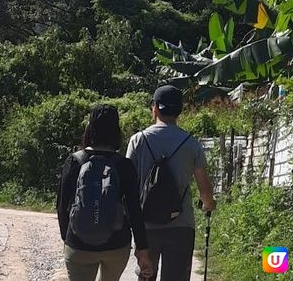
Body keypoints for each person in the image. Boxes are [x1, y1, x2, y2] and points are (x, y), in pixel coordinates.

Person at [126, 85, 216, 281]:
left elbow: (128, 185)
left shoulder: (138, 140)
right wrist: (208, 205)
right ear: (180, 111)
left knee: (146, 275)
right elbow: (204, 189)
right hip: (181, 226)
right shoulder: (191, 143)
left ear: (155, 108)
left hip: (146, 226)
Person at [57, 104, 154, 281]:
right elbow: (134, 209)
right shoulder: (124, 165)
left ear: (89, 129)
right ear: (116, 131)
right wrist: (142, 248)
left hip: (79, 244)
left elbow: (62, 206)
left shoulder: (74, 161)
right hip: (116, 246)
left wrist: (69, 238)